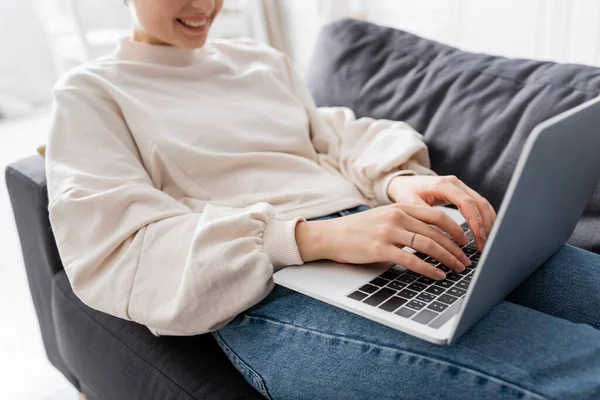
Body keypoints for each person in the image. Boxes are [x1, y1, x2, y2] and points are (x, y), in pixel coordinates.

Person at [45, 0, 600, 399]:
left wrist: (396, 182)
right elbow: (119, 248)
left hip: (383, 226)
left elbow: (331, 139)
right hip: (272, 284)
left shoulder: (260, 61)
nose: (205, 5)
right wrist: (309, 237)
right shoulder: (92, 93)